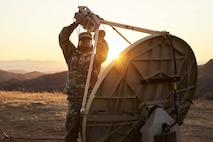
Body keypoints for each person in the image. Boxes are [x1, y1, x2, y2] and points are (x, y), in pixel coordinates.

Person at [58, 21, 108, 142]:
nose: (86, 42)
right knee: (71, 131)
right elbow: (63, 38)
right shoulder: (71, 54)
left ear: (91, 43)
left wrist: (99, 37)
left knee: (89, 132)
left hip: (89, 100)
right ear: (79, 42)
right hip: (74, 100)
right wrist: (76, 24)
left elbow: (103, 52)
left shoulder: (94, 58)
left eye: (88, 40)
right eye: (83, 40)